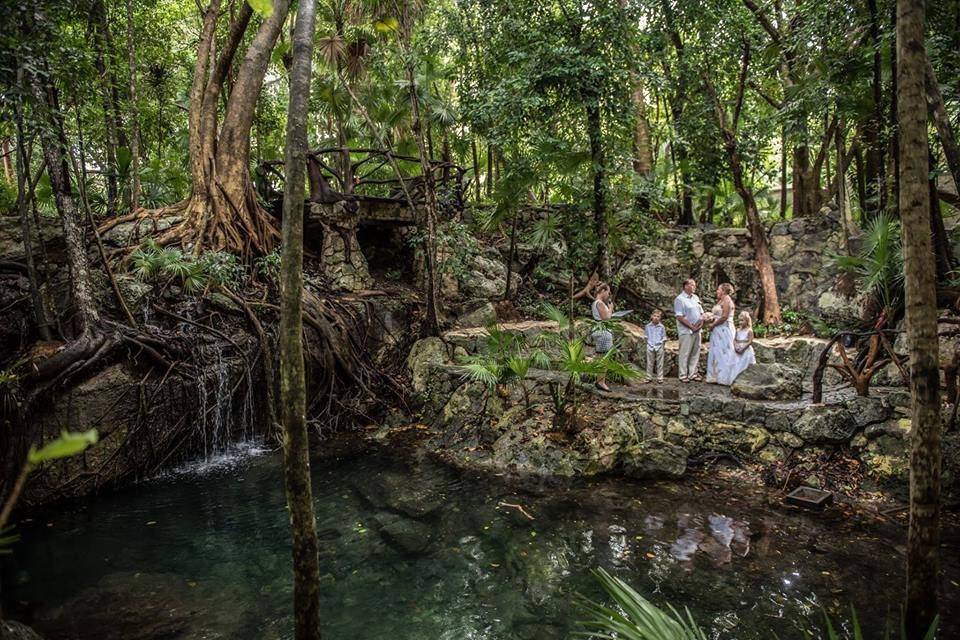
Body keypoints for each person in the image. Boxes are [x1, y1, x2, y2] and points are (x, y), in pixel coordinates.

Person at [705, 283, 736, 385]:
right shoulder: (721, 300)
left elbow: (724, 317)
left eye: (718, 289)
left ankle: (724, 377)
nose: (717, 291)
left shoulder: (727, 300)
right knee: (716, 351)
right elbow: (718, 315)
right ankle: (715, 376)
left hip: (724, 329)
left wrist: (713, 325)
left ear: (723, 290)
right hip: (718, 329)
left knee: (724, 351)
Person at [673, 278, 704, 382]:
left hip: (697, 329)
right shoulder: (680, 299)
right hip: (686, 331)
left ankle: (693, 373)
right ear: (686, 286)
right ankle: (683, 375)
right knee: (685, 352)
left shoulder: (695, 297)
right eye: (692, 285)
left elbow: (701, 312)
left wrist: (701, 323)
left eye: (695, 285)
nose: (694, 287)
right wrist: (691, 326)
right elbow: (679, 316)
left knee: (695, 352)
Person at [591, 283, 614, 391]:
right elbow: (606, 317)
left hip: (600, 330)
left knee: (601, 357)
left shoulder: (595, 303)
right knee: (604, 357)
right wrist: (610, 308)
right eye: (608, 292)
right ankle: (601, 382)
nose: (608, 295)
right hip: (603, 331)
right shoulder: (599, 303)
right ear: (603, 291)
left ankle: (599, 380)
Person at [730, 311, 757, 381]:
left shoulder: (749, 331)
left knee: (744, 364)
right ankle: (735, 379)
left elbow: (750, 341)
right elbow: (734, 339)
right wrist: (735, 346)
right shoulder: (738, 330)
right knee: (736, 364)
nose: (740, 322)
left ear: (747, 321)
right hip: (737, 348)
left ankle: (745, 380)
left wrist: (743, 348)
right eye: (739, 321)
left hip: (745, 349)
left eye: (742, 320)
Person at [645, 310, 667, 383]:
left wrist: (662, 344)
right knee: (649, 362)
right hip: (650, 345)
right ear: (651, 317)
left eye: (658, 316)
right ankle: (648, 377)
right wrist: (648, 344)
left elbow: (664, 337)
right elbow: (646, 336)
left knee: (660, 363)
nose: (656, 318)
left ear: (660, 318)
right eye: (654, 316)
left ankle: (660, 378)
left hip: (659, 345)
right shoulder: (647, 326)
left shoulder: (662, 327)